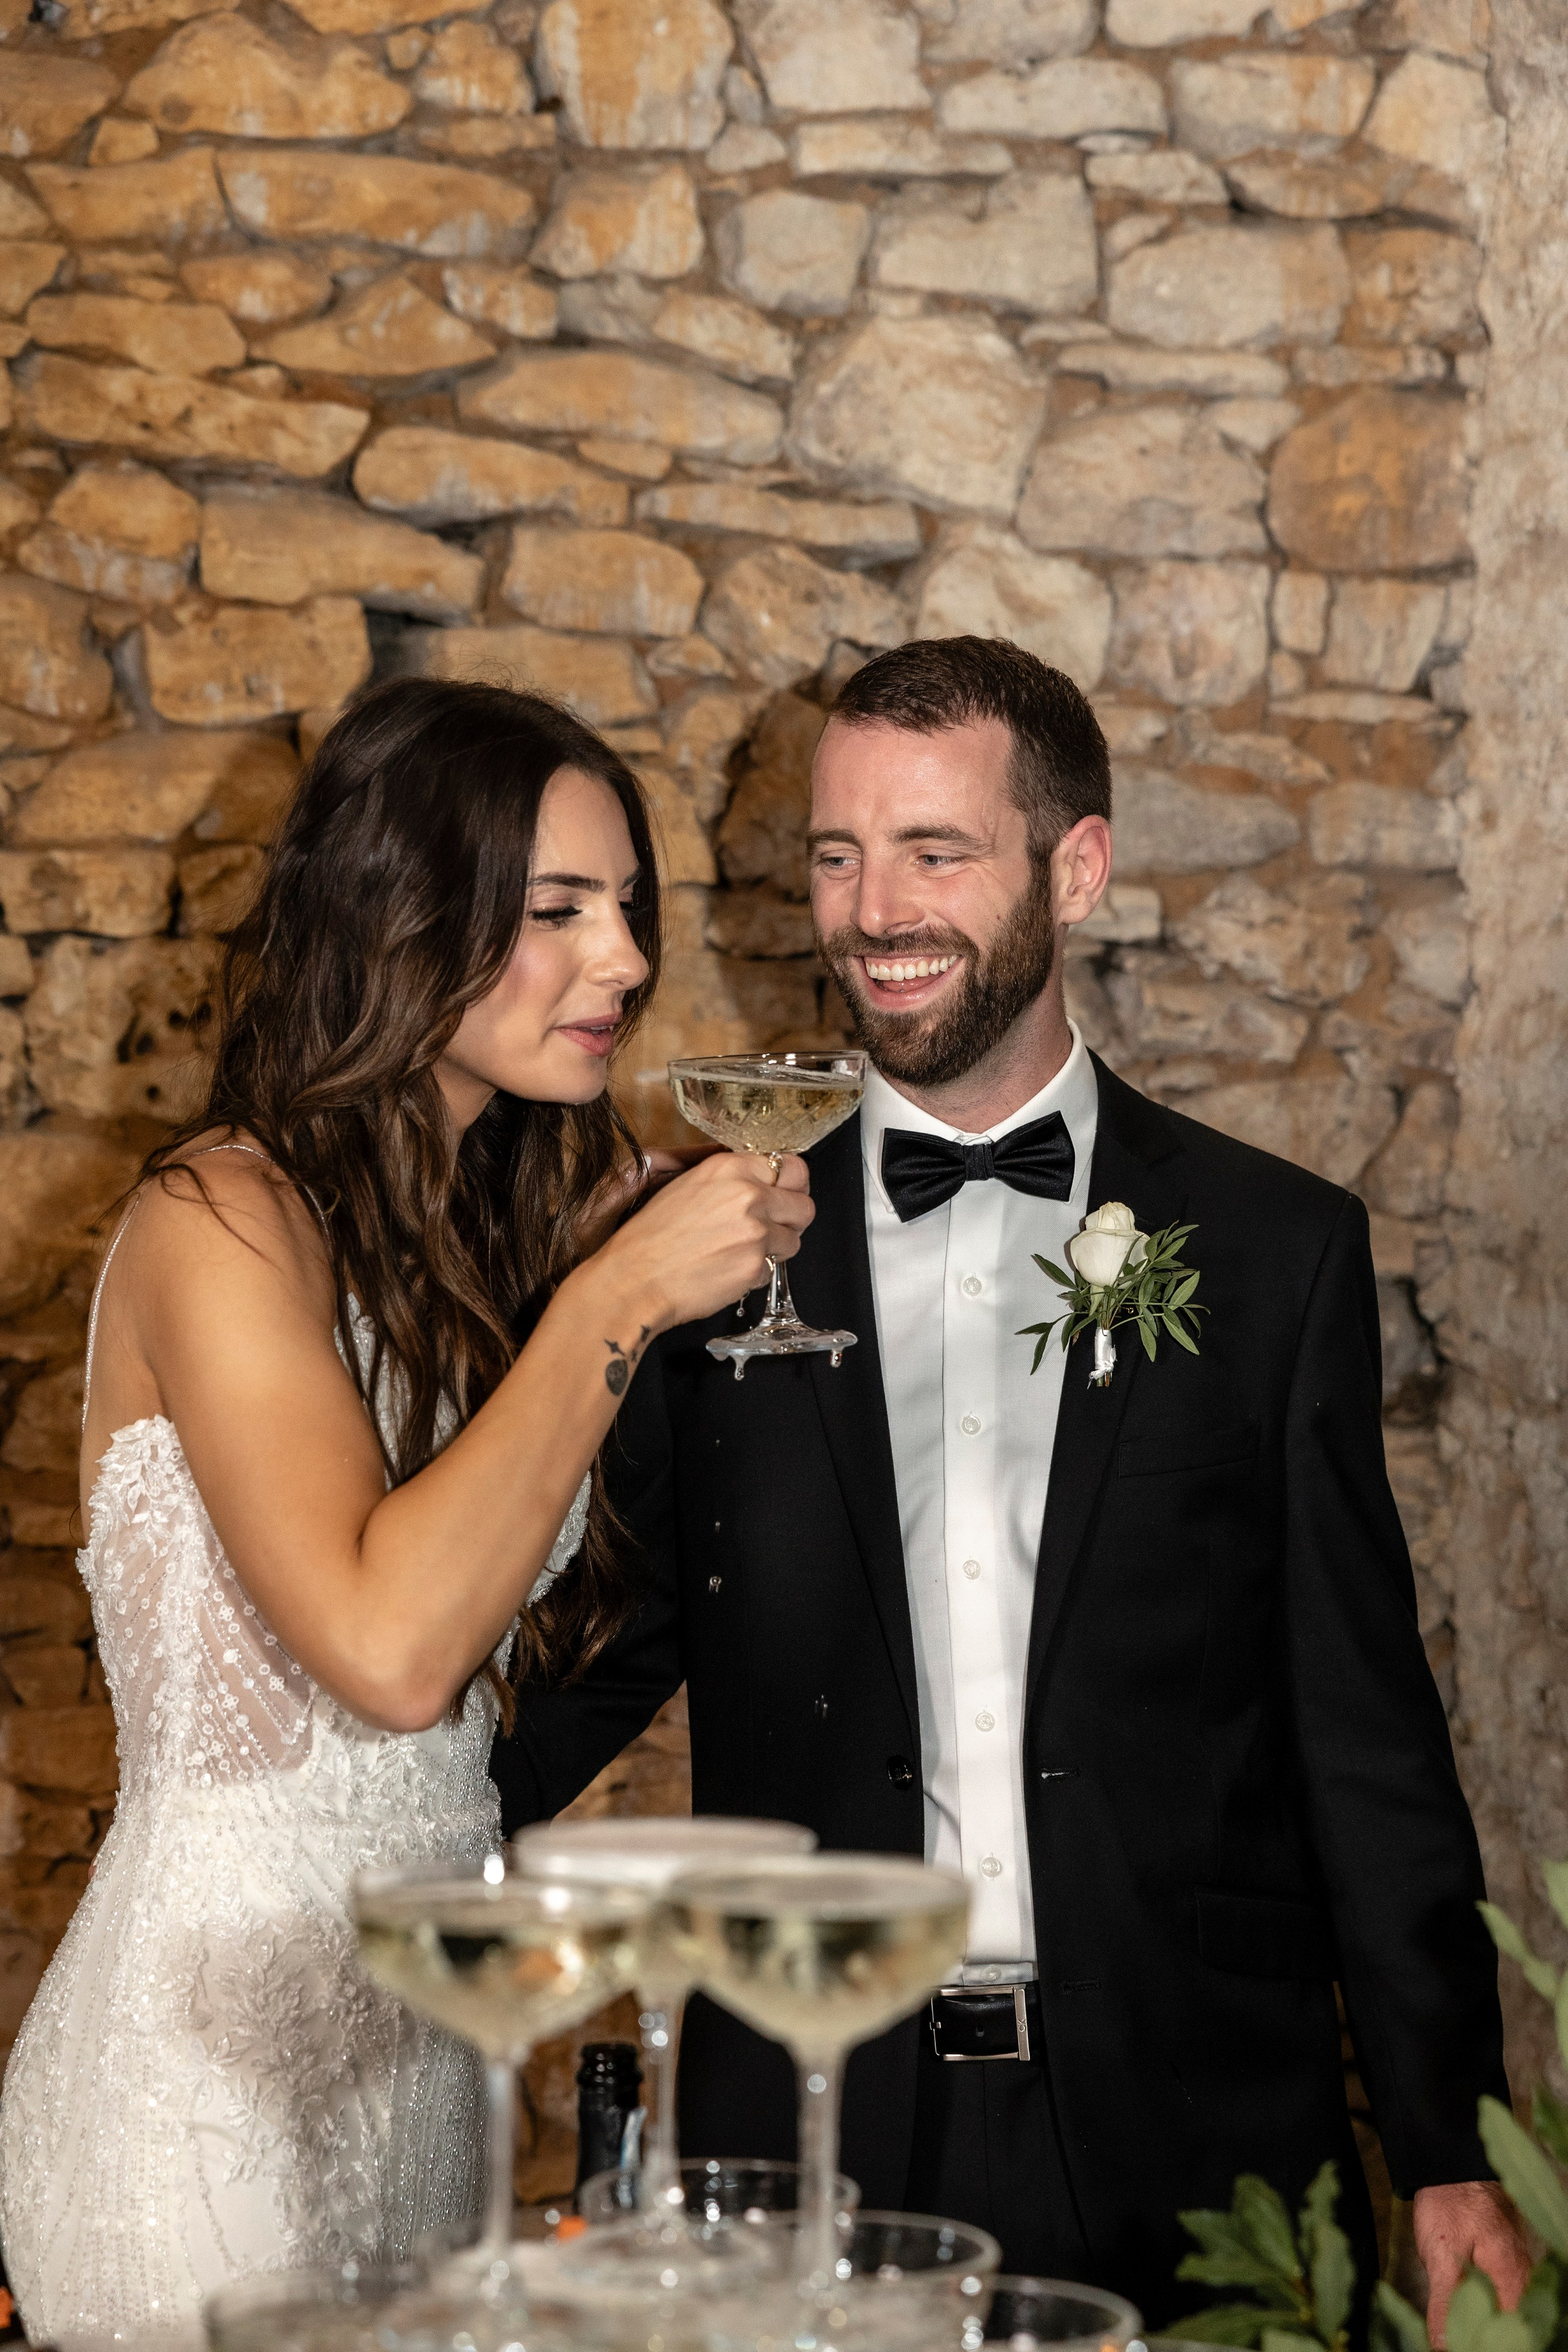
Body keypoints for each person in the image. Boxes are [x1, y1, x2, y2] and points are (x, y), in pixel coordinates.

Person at [494, 638, 1529, 2338]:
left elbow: (1361, 1733)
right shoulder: (702, 1259)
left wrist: (1449, 2146)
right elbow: (611, 1650)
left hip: (1197, 2137)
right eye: (838, 857)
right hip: (813, 2135)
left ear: (1078, 868)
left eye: (935, 852)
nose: (873, 912)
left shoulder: (1275, 1254)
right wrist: (380, 1826)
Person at [0, 677, 812, 2345]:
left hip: (430, 2071)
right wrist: (619, 1304)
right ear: (397, 919)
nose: (626, 961)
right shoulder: (217, 1218)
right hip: (208, 2091)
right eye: (557, 911)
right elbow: (389, 1652)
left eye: (627, 909)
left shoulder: (463, 1241)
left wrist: (601, 1276)